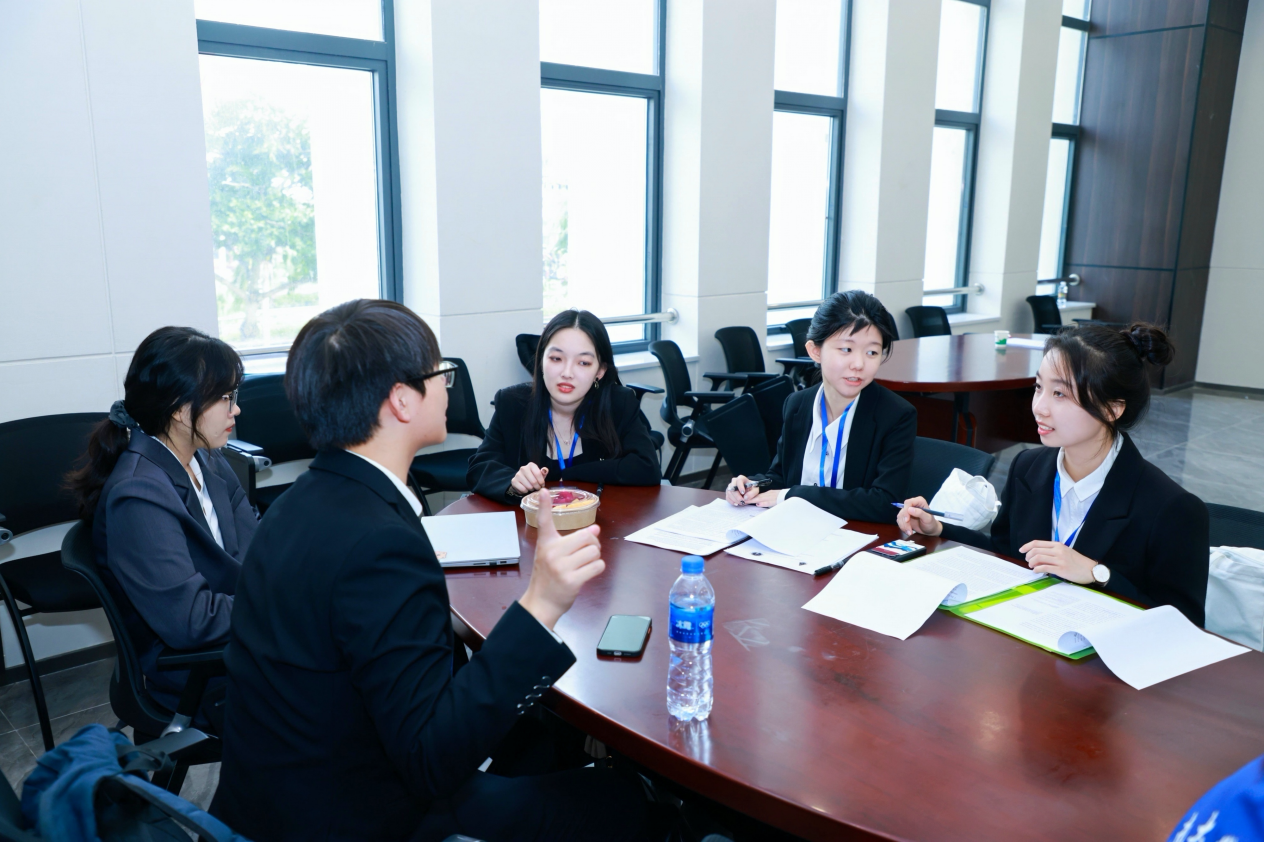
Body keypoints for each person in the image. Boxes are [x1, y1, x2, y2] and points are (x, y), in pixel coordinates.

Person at [212, 299, 652, 842]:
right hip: (358, 815)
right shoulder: (381, 546)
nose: (447, 385)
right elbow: (432, 760)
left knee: (533, 744)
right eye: (439, 372)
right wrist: (541, 603)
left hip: (279, 797)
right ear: (402, 400)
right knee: (622, 801)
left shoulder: (294, 506)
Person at [897, 323, 1209, 625]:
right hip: (1026, 634)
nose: (1039, 407)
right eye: (1038, 387)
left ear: (1112, 408)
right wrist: (939, 527)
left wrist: (1097, 574)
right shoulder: (1027, 467)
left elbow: (1185, 624)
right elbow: (1007, 554)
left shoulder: (1171, 507)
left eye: (1059, 393)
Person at [68, 326, 252, 720]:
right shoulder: (138, 494)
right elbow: (190, 621)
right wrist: (279, 604)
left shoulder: (208, 458)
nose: (235, 409)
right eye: (225, 398)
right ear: (180, 409)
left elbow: (258, 551)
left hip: (235, 637)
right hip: (197, 673)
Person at [726, 291, 915, 523]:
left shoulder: (895, 415)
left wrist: (794, 496)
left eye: (872, 352)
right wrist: (753, 484)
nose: (859, 364)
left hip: (852, 534)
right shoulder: (797, 404)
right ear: (815, 351)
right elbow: (781, 475)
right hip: (796, 527)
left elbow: (886, 503)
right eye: (846, 349)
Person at [468, 309, 661, 504]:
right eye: (556, 359)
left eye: (583, 362)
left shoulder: (618, 403)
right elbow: (479, 468)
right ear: (541, 360)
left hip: (598, 520)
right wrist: (513, 483)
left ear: (600, 371)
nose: (567, 373)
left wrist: (569, 474)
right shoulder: (512, 403)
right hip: (529, 521)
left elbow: (647, 468)